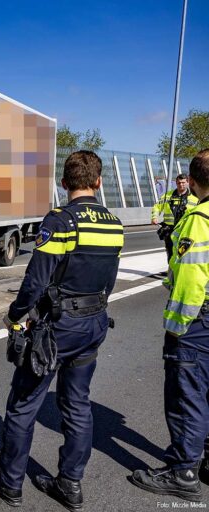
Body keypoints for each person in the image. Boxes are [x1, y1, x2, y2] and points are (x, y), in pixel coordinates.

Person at [0, 150, 123, 510]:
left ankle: (10, 483)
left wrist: (15, 315)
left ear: (64, 183)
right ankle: (70, 484)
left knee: (23, 404)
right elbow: (109, 279)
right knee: (77, 405)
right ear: (97, 182)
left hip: (57, 328)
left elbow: (36, 279)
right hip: (93, 324)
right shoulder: (113, 223)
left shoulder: (60, 221)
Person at [130, 149, 209, 503]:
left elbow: (191, 280)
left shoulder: (199, 219)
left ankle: (183, 471)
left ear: (191, 182)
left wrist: (177, 328)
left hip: (197, 321)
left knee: (186, 395)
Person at [151, 174, 198, 261]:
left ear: (187, 182)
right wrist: (154, 217)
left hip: (185, 230)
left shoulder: (194, 198)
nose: (181, 185)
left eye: (183, 182)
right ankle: (171, 271)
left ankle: (179, 270)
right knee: (170, 252)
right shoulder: (167, 196)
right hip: (169, 230)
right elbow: (157, 207)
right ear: (176, 183)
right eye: (179, 183)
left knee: (183, 252)